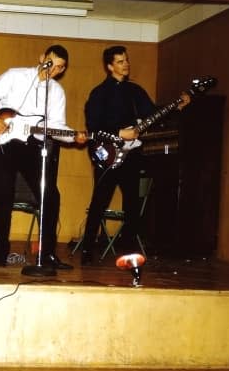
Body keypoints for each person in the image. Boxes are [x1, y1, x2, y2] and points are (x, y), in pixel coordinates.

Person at [0, 45, 87, 269]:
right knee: (3, 195)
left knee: (50, 195)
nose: (53, 70)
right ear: (42, 58)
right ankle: (1, 252)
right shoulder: (15, 75)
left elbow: (56, 126)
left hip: (33, 145)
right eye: (51, 63)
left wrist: (73, 136)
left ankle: (46, 253)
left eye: (59, 68)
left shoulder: (56, 92)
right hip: (4, 143)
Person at [80, 45, 190, 265]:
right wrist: (119, 133)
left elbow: (153, 115)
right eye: (120, 61)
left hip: (132, 156)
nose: (126, 64)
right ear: (110, 66)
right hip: (108, 156)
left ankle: (128, 250)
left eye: (126, 60)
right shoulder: (99, 94)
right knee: (99, 202)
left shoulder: (135, 92)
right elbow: (93, 126)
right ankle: (87, 250)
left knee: (132, 204)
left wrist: (176, 107)